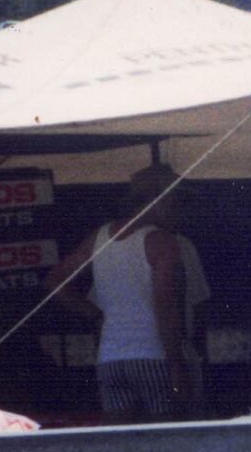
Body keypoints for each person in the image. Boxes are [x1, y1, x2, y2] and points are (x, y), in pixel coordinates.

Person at [43, 163, 208, 421]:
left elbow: (55, 280)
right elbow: (166, 307)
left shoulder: (100, 237)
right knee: (169, 441)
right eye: (176, 203)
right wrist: (176, 365)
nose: (181, 213)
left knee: (123, 446)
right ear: (157, 201)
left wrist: (96, 316)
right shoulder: (163, 242)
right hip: (156, 359)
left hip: (111, 360)